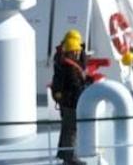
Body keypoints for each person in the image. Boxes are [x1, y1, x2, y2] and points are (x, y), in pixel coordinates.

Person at [50, 29, 92, 165]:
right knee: (71, 129)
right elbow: (75, 85)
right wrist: (87, 83)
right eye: (76, 51)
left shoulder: (62, 61)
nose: (78, 52)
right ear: (69, 51)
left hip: (66, 101)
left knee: (66, 128)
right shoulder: (69, 67)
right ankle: (70, 157)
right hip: (70, 102)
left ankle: (63, 153)